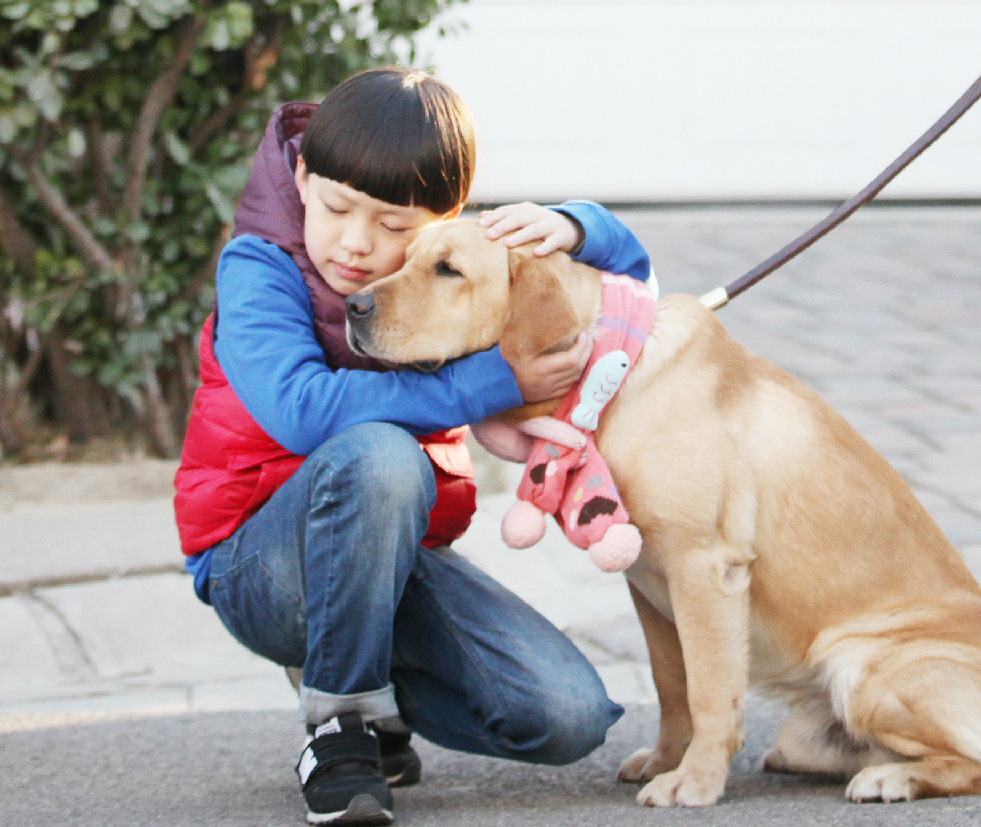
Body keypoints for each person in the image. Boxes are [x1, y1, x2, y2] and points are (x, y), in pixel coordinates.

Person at [173, 67, 653, 824]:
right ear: (301, 175)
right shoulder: (258, 269)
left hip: (396, 560)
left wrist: (578, 225)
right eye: (336, 208)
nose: (359, 245)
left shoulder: (444, 272)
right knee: (378, 453)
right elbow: (301, 411)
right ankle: (338, 729)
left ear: (442, 220)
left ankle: (375, 701)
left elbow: (625, 280)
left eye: (396, 225)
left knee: (568, 718)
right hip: (260, 567)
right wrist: (487, 383)